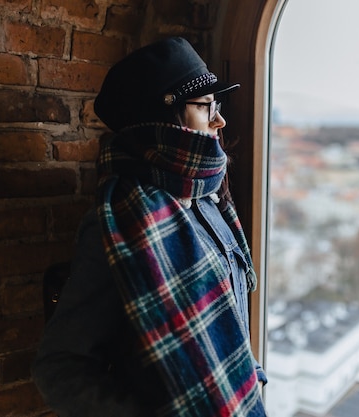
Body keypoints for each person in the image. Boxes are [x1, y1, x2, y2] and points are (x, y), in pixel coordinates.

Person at [32, 37, 267, 417]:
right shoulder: (122, 224)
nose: (219, 120)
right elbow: (59, 366)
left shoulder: (210, 201)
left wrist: (248, 378)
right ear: (164, 117)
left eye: (217, 105)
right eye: (206, 106)